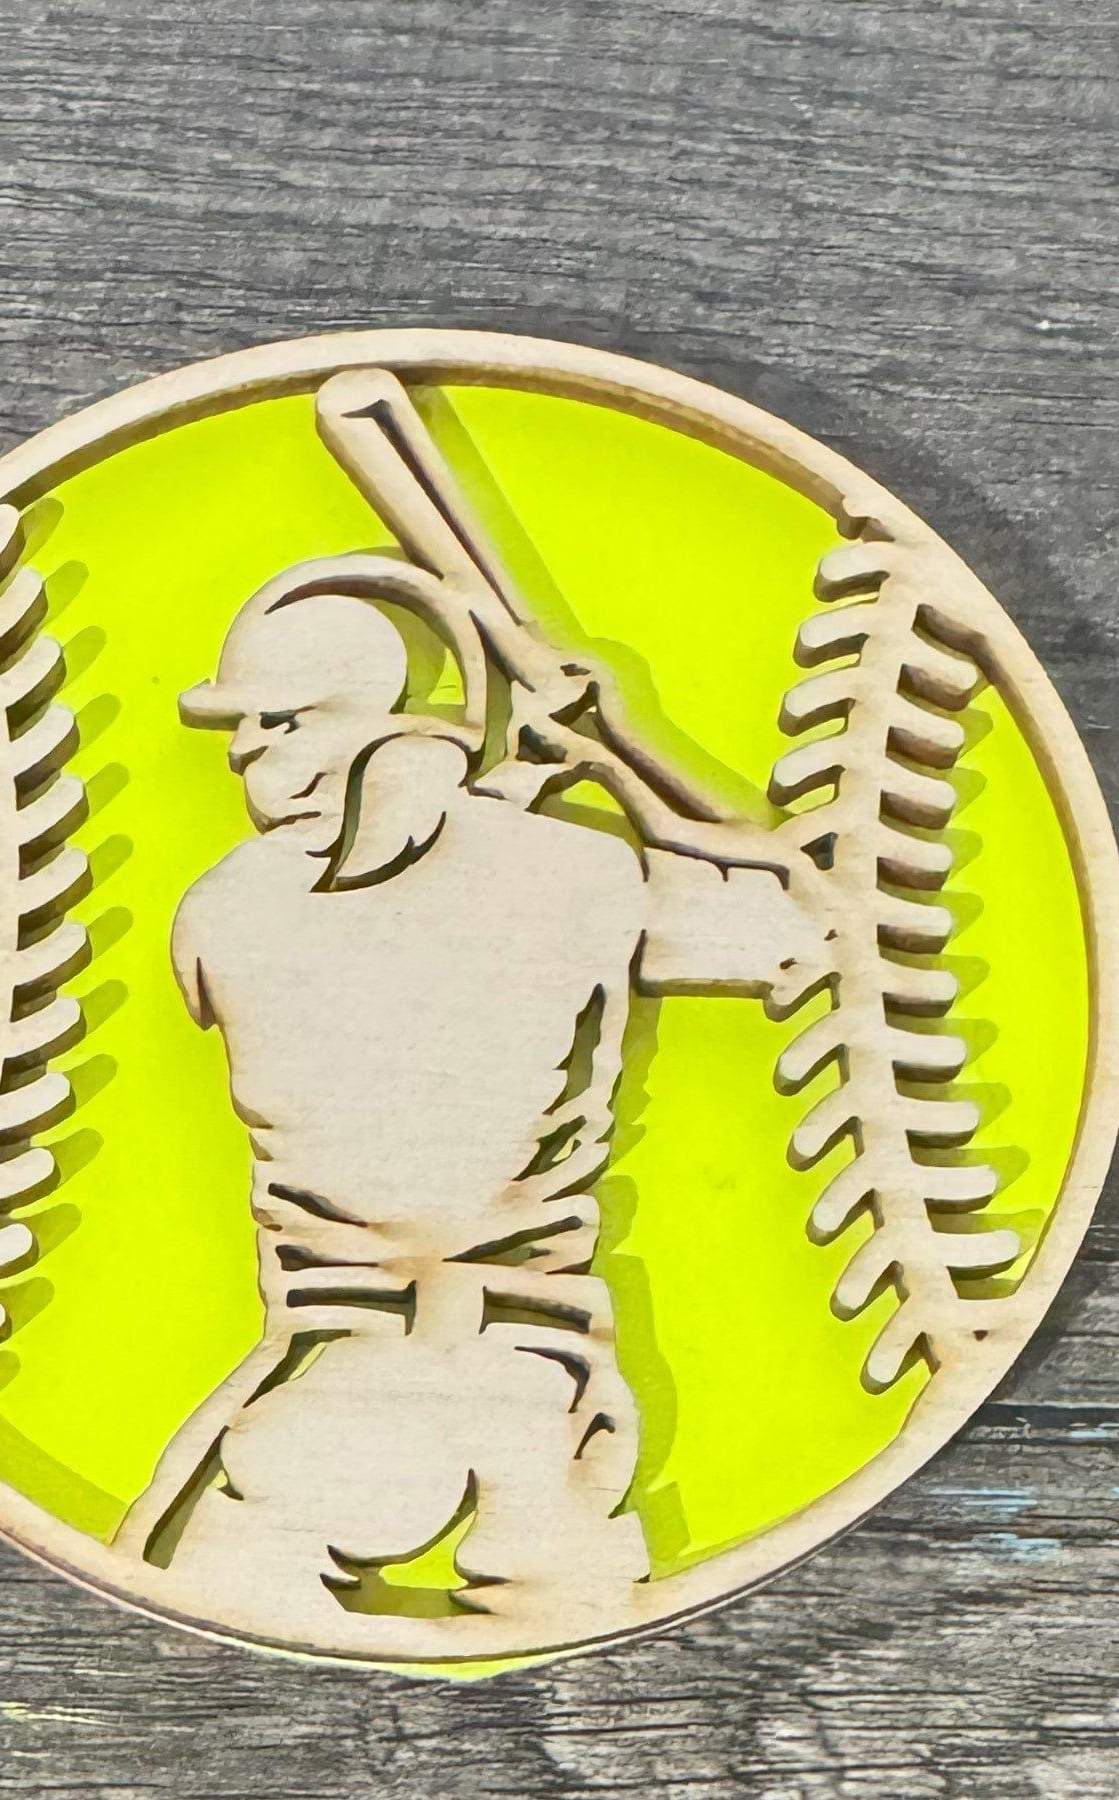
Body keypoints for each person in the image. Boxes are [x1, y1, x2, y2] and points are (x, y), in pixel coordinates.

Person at [113, 574, 826, 1645]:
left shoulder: (219, 907)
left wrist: (512, 792)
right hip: (538, 1388)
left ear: (361, 726)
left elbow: (394, 899)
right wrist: (616, 759)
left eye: (274, 721)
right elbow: (794, 930)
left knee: (203, 1619)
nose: (241, 753)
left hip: (335, 1388)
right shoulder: (583, 870)